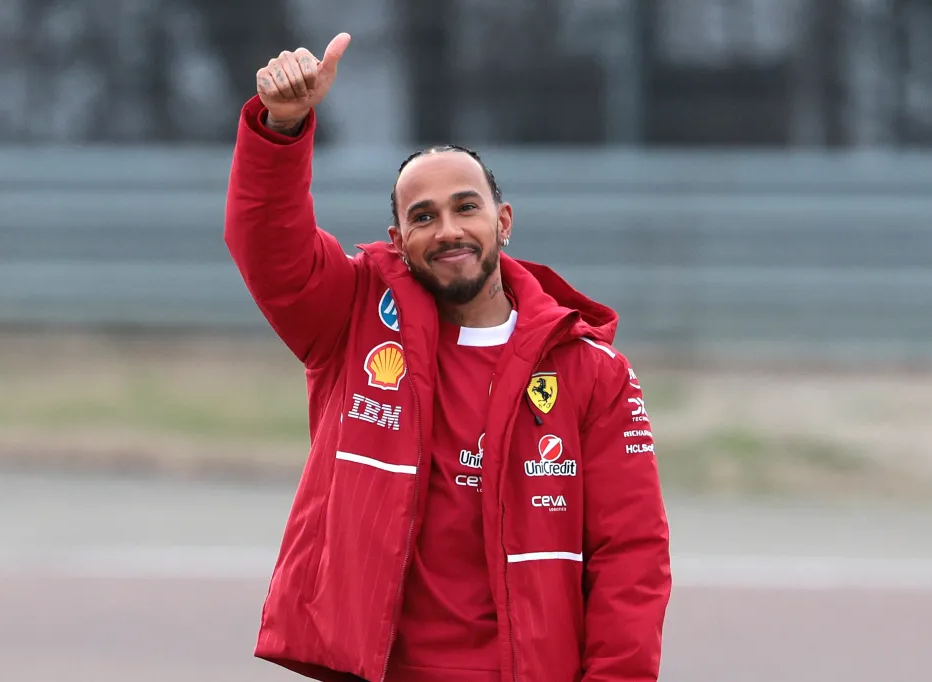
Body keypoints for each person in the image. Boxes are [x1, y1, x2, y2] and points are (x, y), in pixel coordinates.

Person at [225, 32, 672, 682]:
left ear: (505, 221)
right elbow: (268, 243)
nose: (449, 230)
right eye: (424, 217)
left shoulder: (592, 371)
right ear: (398, 240)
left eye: (467, 208)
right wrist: (282, 127)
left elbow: (631, 554)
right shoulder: (352, 319)